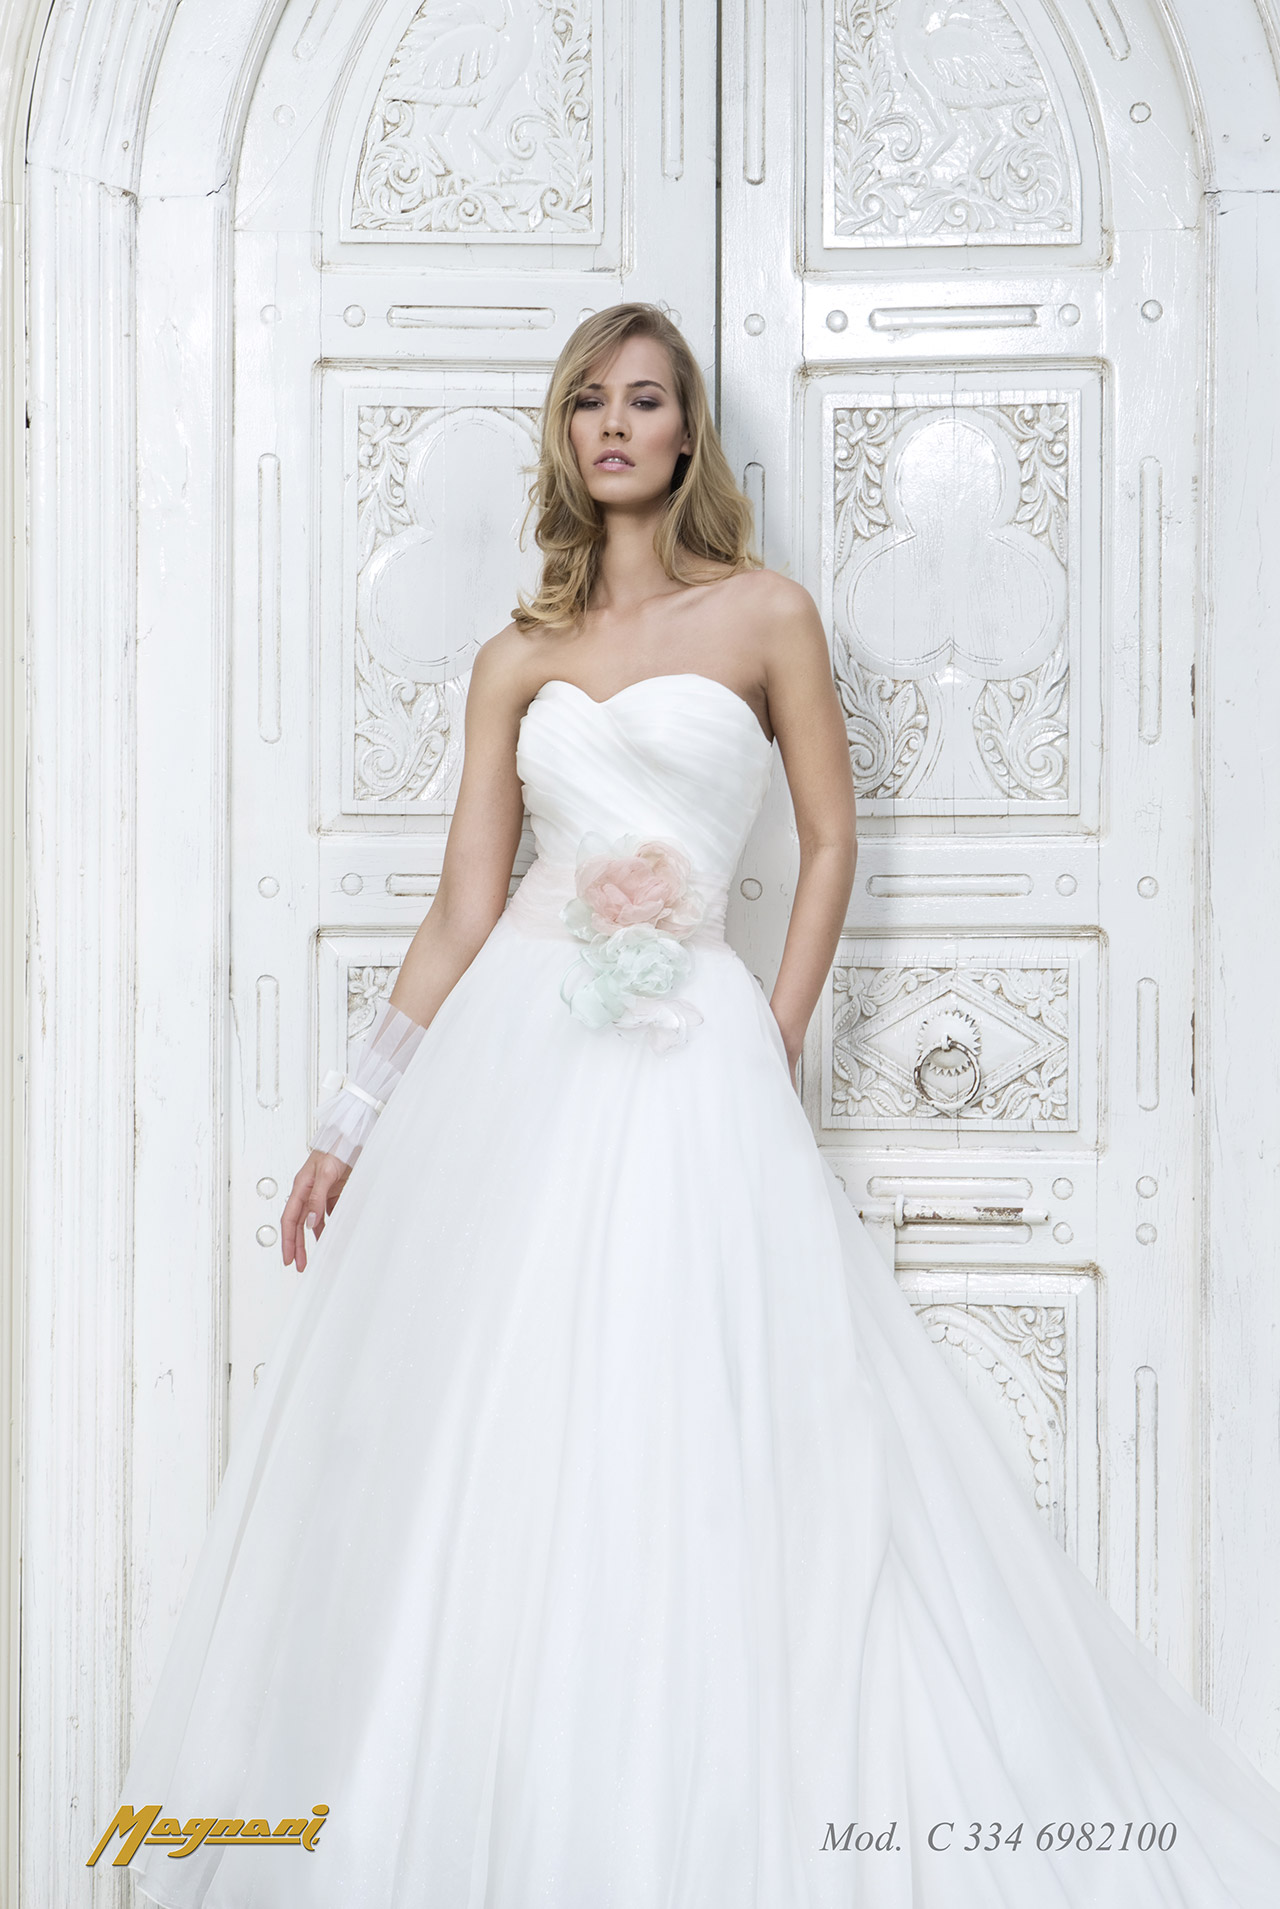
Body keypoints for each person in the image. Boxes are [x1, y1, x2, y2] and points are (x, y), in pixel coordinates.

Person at [106, 304, 1280, 1906]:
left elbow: (832, 839)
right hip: (523, 1051)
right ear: (565, 433)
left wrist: (770, 1031)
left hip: (697, 1047)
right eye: (588, 399)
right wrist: (350, 1116)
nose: (614, 424)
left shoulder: (767, 614)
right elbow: (462, 909)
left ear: (686, 433)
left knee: (700, 1388)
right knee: (506, 1408)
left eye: (645, 399)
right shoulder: (517, 657)